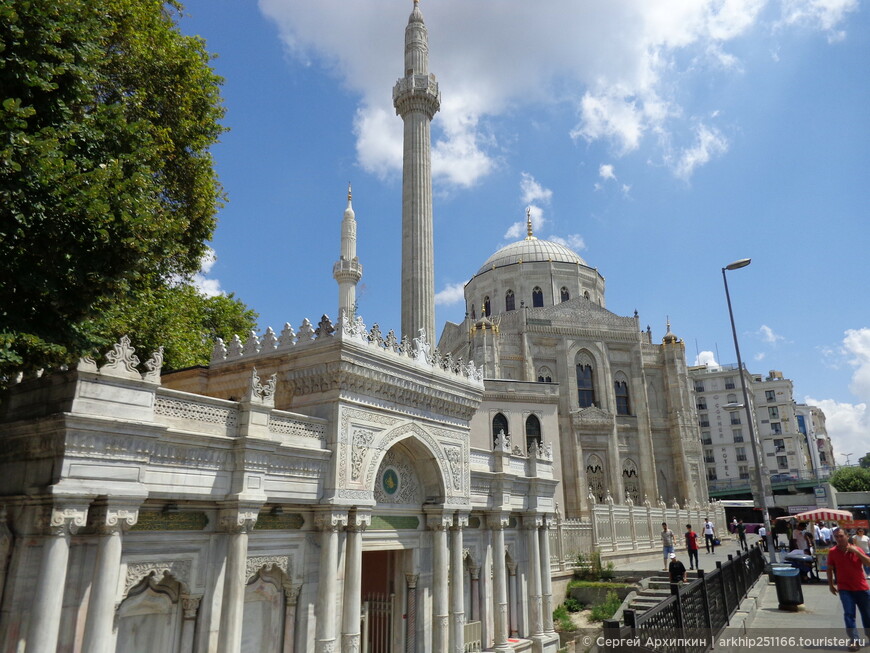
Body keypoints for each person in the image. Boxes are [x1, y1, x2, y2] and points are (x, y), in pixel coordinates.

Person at [827, 528, 870, 651]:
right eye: (836, 537)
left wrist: (856, 552)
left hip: (861, 588)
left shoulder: (857, 549)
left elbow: (868, 563)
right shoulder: (833, 551)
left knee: (867, 614)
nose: (839, 539)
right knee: (849, 615)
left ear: (847, 536)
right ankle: (854, 640)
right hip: (845, 588)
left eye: (841, 536)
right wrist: (831, 585)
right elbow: (829, 568)